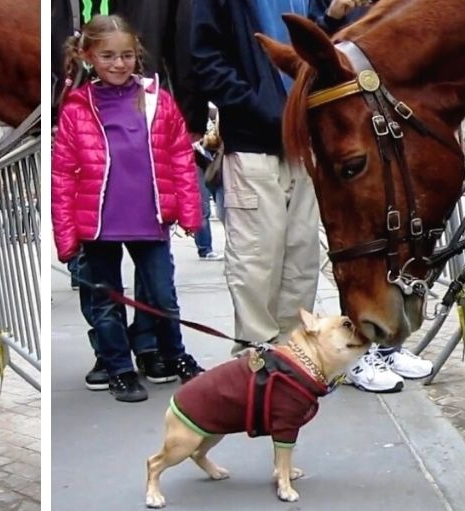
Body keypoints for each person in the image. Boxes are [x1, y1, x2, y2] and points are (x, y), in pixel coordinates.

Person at [53, 14, 205, 404]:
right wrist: (65, 234)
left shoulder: (159, 100)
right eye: (108, 56)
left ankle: (174, 354)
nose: (119, 64)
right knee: (106, 300)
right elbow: (63, 174)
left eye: (126, 55)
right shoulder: (75, 108)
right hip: (98, 225)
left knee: (162, 294)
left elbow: (180, 159)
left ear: (137, 56)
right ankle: (119, 367)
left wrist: (190, 211)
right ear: (88, 56)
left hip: (150, 218)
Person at [303, 0, 434, 392]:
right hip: (347, 118)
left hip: (384, 114)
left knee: (394, 237)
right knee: (357, 235)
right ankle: (358, 352)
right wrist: (333, 17)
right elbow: (312, 53)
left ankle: (388, 345)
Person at [190, 0, 322, 357]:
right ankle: (258, 357)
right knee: (257, 257)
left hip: (304, 137)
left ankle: (292, 354)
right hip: (253, 141)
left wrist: (334, 16)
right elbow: (206, 59)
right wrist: (258, 108)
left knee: (302, 256)